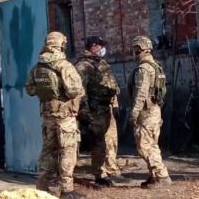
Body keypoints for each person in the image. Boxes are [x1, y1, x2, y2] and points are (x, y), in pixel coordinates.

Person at [25, 31, 86, 199]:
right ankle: (67, 190)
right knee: (67, 151)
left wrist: (47, 93)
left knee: (48, 151)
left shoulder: (38, 67)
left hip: (48, 116)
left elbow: (30, 90)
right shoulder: (64, 65)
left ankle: (42, 187)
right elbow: (73, 90)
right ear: (61, 45)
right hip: (65, 116)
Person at [75, 35, 127, 186]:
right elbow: (80, 90)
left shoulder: (101, 63)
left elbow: (111, 85)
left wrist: (115, 104)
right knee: (98, 142)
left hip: (107, 108)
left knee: (110, 141)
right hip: (95, 110)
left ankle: (110, 169)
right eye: (100, 46)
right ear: (93, 47)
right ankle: (100, 173)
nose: (103, 49)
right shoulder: (83, 66)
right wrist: (84, 112)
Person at [127, 35, 172, 189]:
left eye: (135, 49)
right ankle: (155, 175)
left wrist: (134, 113)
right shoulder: (155, 65)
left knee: (145, 147)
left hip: (146, 113)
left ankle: (162, 176)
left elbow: (141, 93)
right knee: (152, 145)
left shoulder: (144, 69)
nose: (134, 52)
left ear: (139, 49)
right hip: (154, 111)